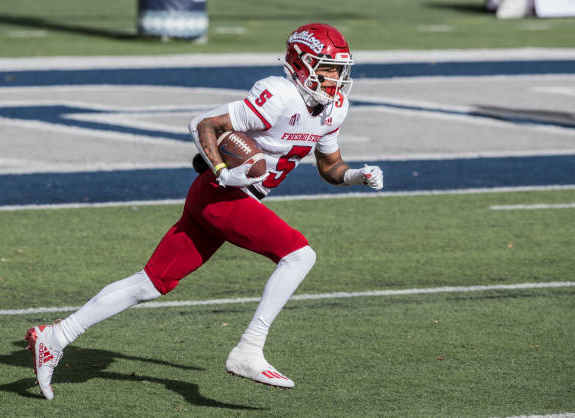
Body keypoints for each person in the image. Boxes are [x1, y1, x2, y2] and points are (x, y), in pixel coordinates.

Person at [25, 22, 384, 400]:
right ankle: (249, 349)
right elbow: (203, 124)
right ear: (300, 63)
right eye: (327, 68)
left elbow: (330, 166)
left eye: (339, 69)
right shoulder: (278, 95)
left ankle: (56, 336)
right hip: (222, 194)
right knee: (299, 255)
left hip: (225, 197)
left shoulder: (333, 108)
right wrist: (223, 172)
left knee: (151, 283)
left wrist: (357, 176)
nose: (335, 78)